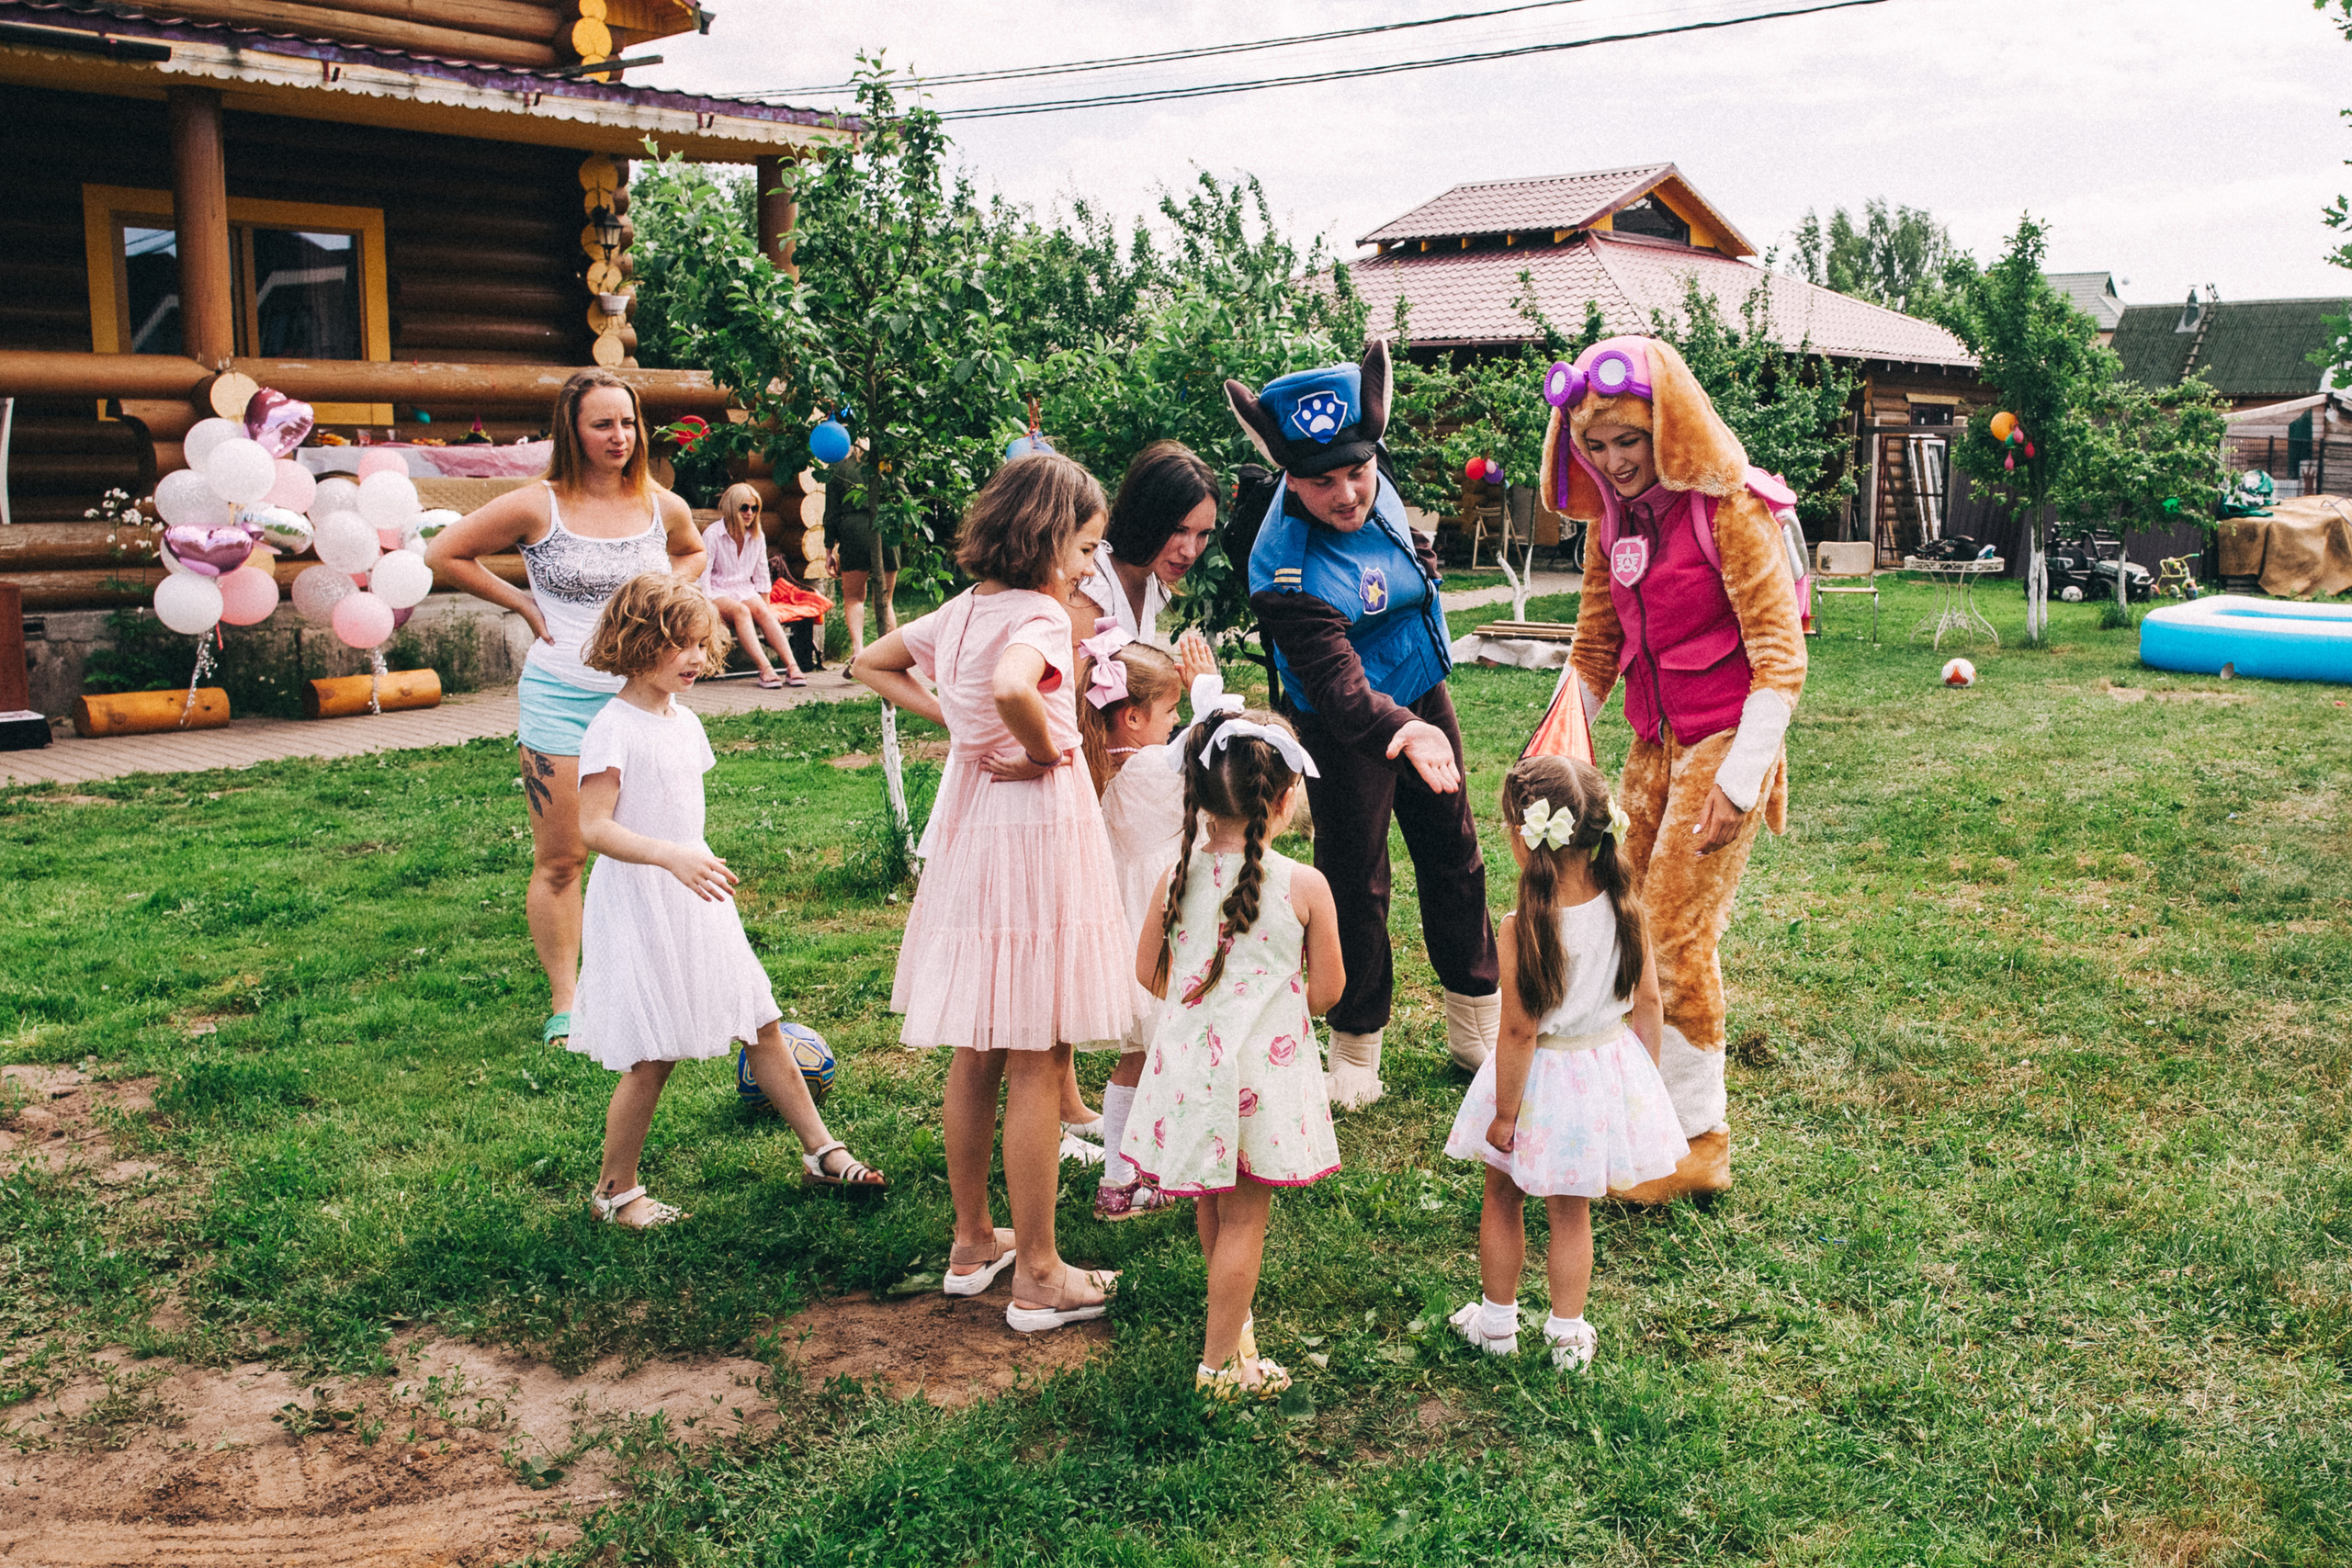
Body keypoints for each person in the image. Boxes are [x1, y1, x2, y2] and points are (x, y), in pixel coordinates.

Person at [853, 452, 1132, 1333]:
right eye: (1086, 547)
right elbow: (1017, 684)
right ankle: (1041, 1273)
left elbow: (870, 661)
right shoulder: (1043, 617)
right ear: (1051, 539)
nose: (1091, 566)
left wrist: (958, 721)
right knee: (1041, 1053)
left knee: (977, 1040)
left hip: (973, 825)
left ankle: (974, 1239)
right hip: (1036, 830)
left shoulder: (963, 609)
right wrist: (1045, 748)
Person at [1539, 335, 1808, 1200]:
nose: (1614, 461)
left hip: (1727, 736)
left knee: (1676, 932)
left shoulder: (1732, 511)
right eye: (1597, 443)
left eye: (1630, 439)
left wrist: (1741, 782)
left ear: (1670, 429)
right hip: (1656, 739)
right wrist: (1550, 754)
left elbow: (1781, 658)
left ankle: (1701, 1140)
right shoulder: (1610, 525)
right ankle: (1646, 1117)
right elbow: (1594, 649)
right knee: (1626, 924)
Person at [1224, 343, 1499, 1108]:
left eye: (1358, 473)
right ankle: (1355, 1044)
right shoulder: (1282, 564)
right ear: (1288, 475)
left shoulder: (1369, 482)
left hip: (1420, 687)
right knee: (1355, 880)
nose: (1347, 493)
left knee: (1454, 848)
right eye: (1322, 482)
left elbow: (1397, 566)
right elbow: (1338, 686)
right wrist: (1402, 730)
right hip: (1348, 723)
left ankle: (1475, 1020)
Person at [569, 574, 885, 1227]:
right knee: (653, 1052)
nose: (693, 658)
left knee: (761, 1020)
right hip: (644, 898)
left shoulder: (682, 721)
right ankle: (614, 1192)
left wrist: (689, 858)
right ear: (634, 642)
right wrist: (670, 854)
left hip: (697, 895)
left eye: (698, 643)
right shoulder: (612, 727)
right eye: (677, 644)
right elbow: (592, 827)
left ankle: (822, 1150)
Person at [428, 368, 707, 1054]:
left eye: (628, 422)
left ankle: (655, 980)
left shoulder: (658, 505)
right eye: (602, 424)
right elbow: (444, 551)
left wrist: (669, 592)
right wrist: (522, 602)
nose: (619, 437)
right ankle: (567, 1003)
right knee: (563, 858)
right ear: (572, 431)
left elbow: (695, 548)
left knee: (656, 844)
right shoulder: (537, 505)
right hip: (560, 698)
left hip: (641, 702)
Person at [1121, 709, 1343, 1397]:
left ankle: (1235, 1337)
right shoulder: (1305, 886)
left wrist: (1199, 1003)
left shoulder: (1173, 877)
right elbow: (1328, 992)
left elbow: (1144, 972)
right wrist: (1276, 1001)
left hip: (1190, 1070)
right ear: (1281, 802)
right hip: (1260, 1075)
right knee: (1247, 1217)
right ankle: (1217, 1371)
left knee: (1212, 1200)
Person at [1442, 753, 1686, 1367]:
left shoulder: (1523, 926)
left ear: (1525, 842)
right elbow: (1649, 1002)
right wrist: (1640, 1085)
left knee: (1502, 1194)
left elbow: (1519, 1032)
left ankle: (1497, 1324)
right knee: (1571, 1213)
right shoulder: (1626, 908)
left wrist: (1504, 1114)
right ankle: (1569, 1336)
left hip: (1538, 1086)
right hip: (1600, 1073)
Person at [1071, 622, 1210, 1221]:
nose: (1176, 722)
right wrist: (1209, 691)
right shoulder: (1151, 771)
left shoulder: (1097, 770)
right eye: (1169, 709)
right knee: (1167, 1058)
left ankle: (1118, 1177)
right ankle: (1152, 1167)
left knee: (1136, 1059)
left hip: (1125, 931)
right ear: (1131, 716)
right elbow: (1224, 751)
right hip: (1165, 933)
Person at [702, 482, 807, 688]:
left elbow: (761, 574)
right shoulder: (713, 535)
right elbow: (703, 575)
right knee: (741, 612)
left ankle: (792, 666)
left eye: (754, 508)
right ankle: (765, 668)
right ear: (733, 508)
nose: (749, 513)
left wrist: (766, 607)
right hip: (717, 591)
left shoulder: (757, 535)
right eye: (744, 508)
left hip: (743, 588)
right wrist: (705, 608)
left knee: (763, 611)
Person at [826, 443, 898, 670]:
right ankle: (892, 657)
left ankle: (858, 651)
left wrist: (829, 548)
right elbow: (903, 494)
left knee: (854, 598)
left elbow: (831, 513)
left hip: (853, 531)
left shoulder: (837, 467)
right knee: (885, 600)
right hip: (886, 529)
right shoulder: (886, 464)